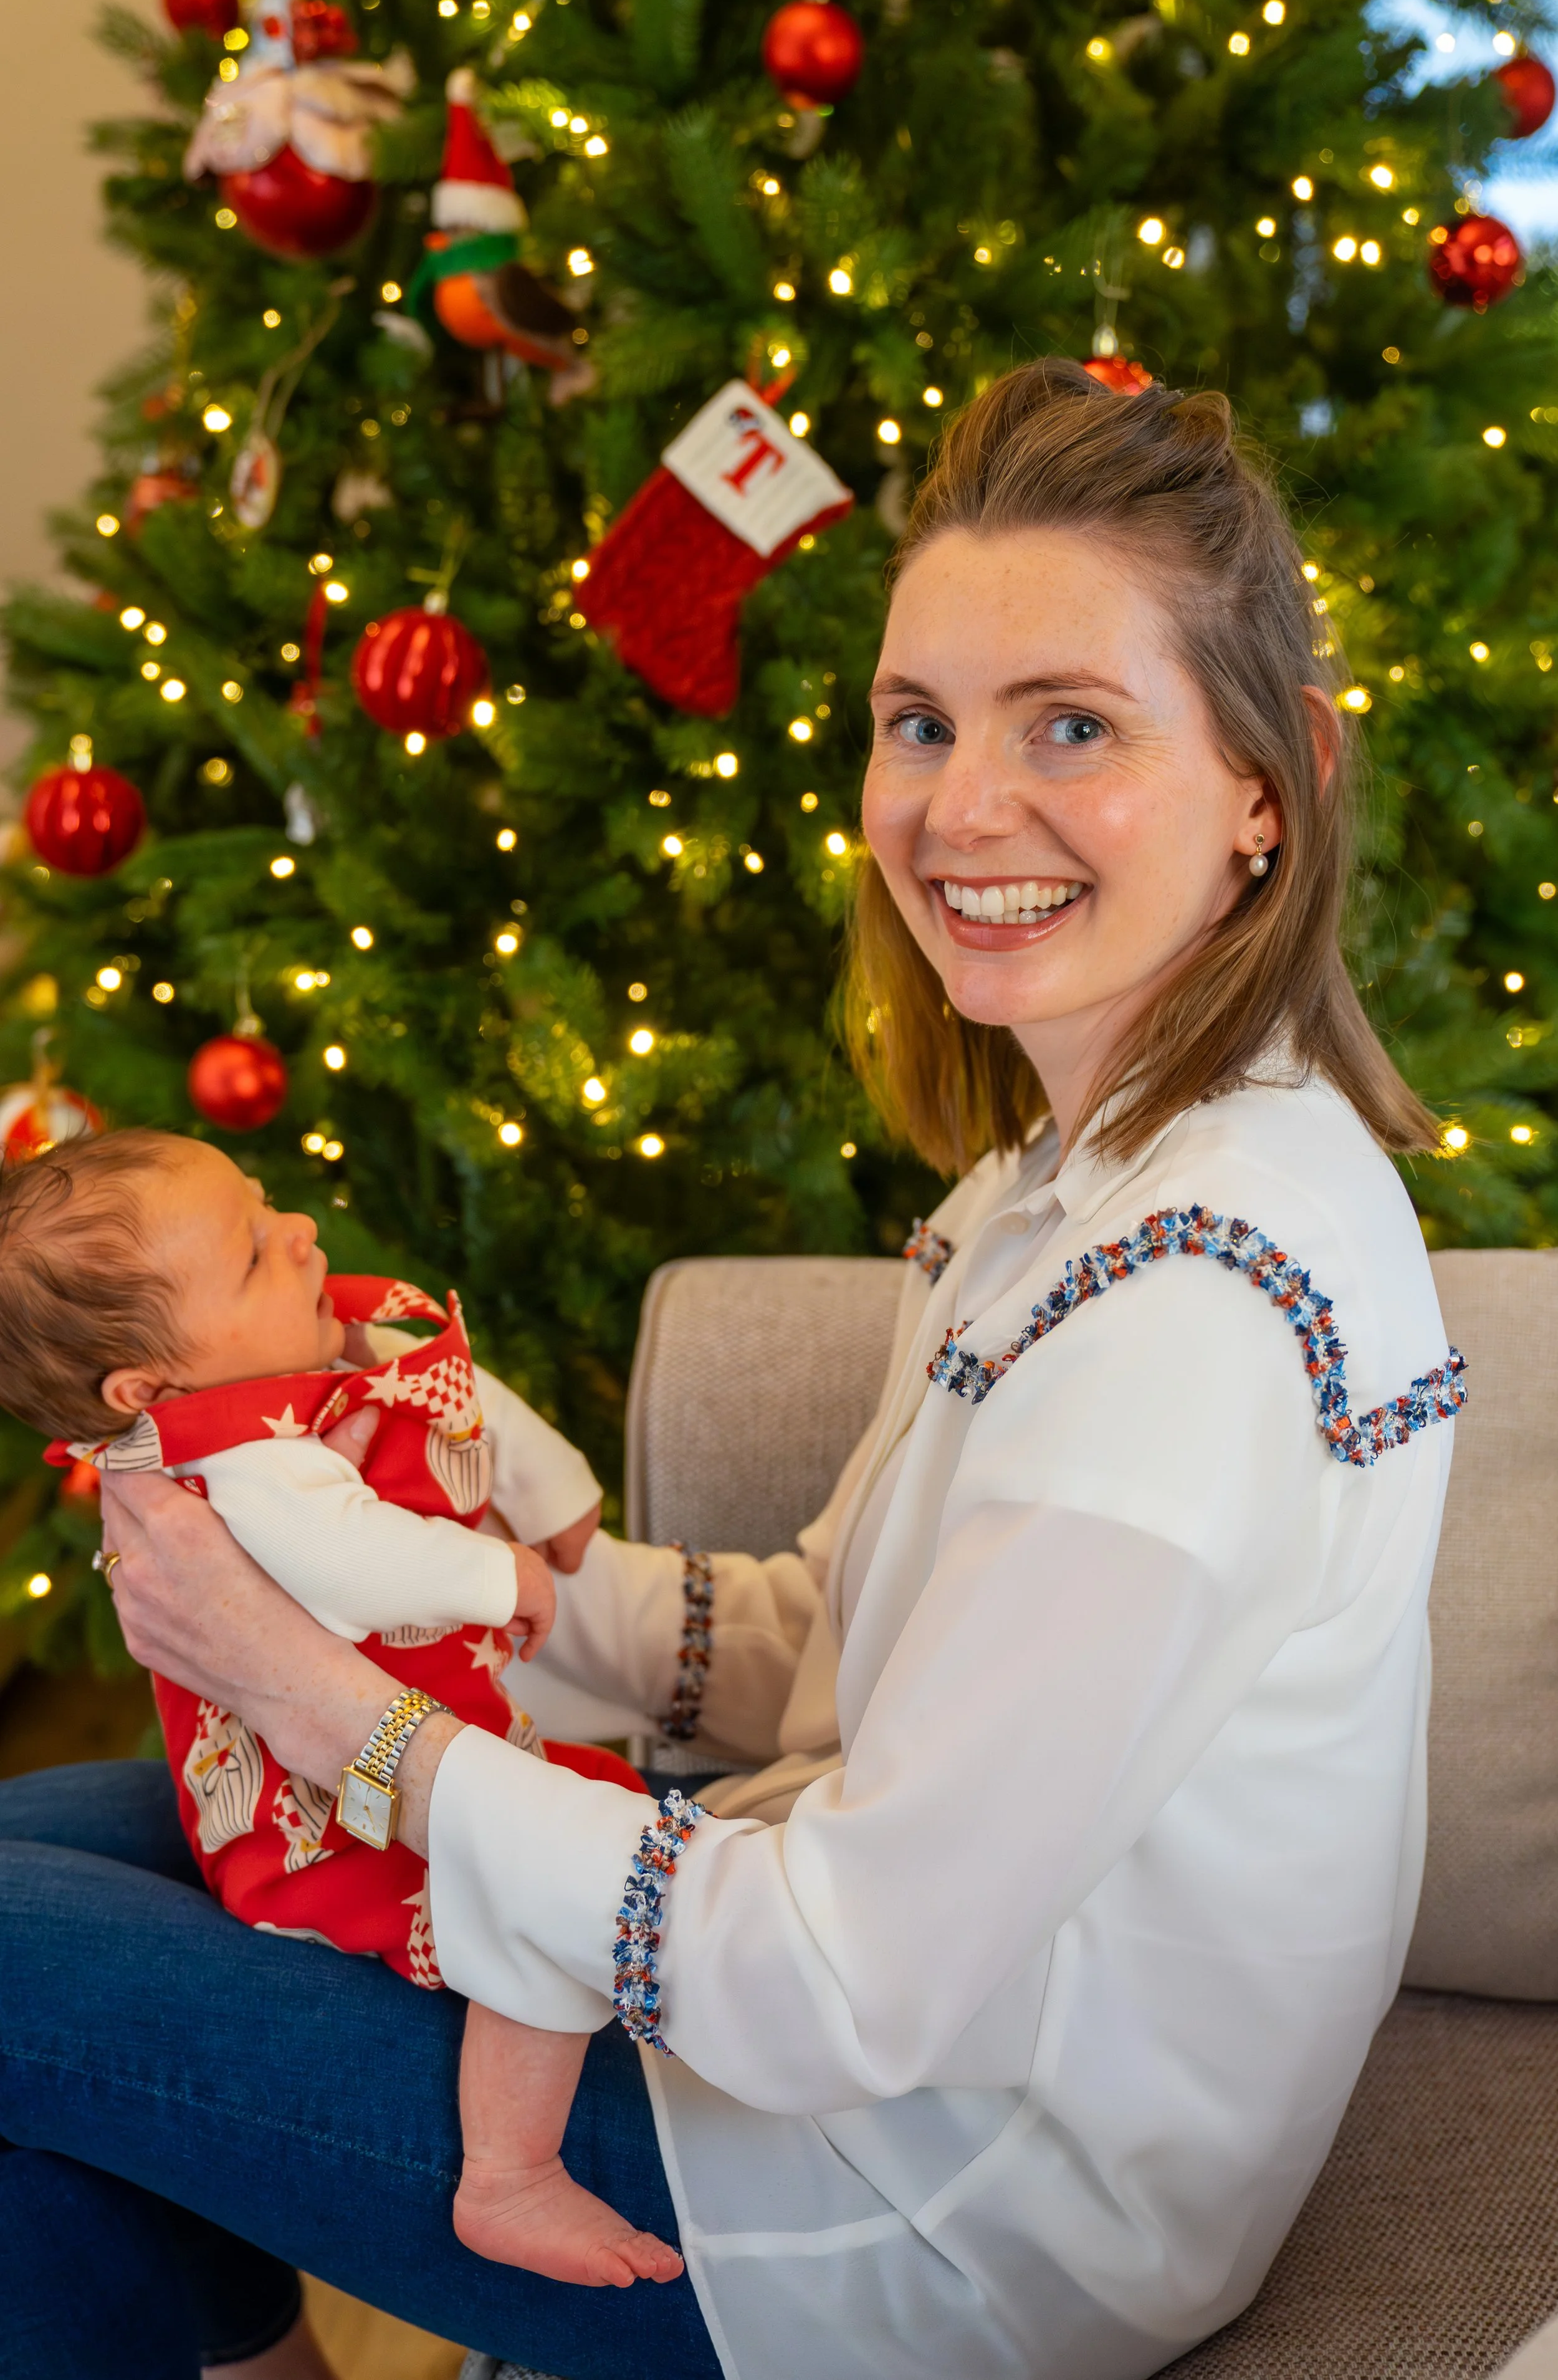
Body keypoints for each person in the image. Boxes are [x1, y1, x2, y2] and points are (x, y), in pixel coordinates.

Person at [0, 359, 1464, 2380]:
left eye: (1073, 726)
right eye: (919, 722)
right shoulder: (1078, 1183)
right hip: (899, 2047)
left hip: (934, 2212)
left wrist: (320, 1698)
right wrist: (522, 1591)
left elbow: (848, 1987)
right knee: (50, 1850)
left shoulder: (1188, 1321)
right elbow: (836, 1650)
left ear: (1263, 792)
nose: (964, 806)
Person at [0, 1127, 684, 2291]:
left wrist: (556, 1492)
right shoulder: (246, 1459)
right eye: (259, 1253)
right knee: (540, 1902)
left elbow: (458, 1390)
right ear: (148, 1386)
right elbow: (357, 1561)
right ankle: (509, 2171)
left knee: (563, 1843)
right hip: (331, 1818)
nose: (302, 1231)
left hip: (394, 1749)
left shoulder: (299, 1357)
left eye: (269, 1208)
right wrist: (501, 1573)